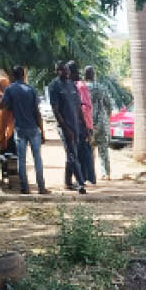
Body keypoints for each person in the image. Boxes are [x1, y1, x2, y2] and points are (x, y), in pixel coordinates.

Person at [0, 65, 49, 195]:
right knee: (37, 158)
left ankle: (25, 188)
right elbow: (37, 112)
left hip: (20, 129)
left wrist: (12, 104)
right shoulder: (31, 89)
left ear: (13, 76)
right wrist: (42, 131)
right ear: (24, 75)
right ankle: (41, 187)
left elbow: (2, 106)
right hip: (33, 128)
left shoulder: (10, 89)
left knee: (21, 160)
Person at [48, 60, 87, 194]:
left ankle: (67, 182)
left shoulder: (72, 84)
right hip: (65, 127)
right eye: (62, 70)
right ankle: (81, 184)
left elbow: (78, 107)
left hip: (76, 125)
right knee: (72, 154)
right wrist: (66, 129)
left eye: (67, 70)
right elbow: (55, 110)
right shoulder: (54, 86)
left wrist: (84, 125)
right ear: (57, 71)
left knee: (72, 154)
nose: (66, 72)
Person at [67, 61, 96, 186]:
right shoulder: (72, 85)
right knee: (78, 152)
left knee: (83, 151)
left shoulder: (80, 86)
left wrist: (86, 125)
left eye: (67, 71)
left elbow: (85, 107)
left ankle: (86, 178)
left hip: (82, 124)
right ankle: (81, 178)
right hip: (75, 124)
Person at [85, 66, 113, 180]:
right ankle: (106, 173)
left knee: (89, 149)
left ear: (85, 75)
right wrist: (107, 118)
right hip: (102, 122)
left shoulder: (82, 88)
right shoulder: (102, 88)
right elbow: (109, 106)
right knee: (103, 149)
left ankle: (90, 174)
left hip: (88, 123)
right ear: (94, 75)